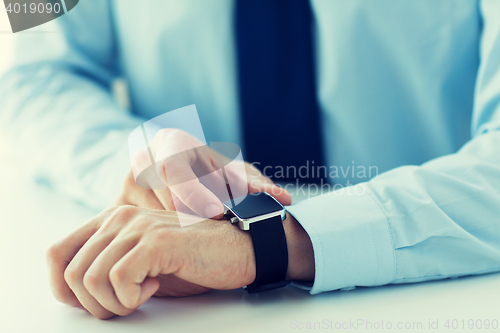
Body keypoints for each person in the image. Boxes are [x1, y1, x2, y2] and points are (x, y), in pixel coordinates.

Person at [1, 0, 500, 320]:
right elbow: (35, 71)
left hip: (436, 293)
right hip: (186, 296)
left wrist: (268, 243)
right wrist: (139, 159)